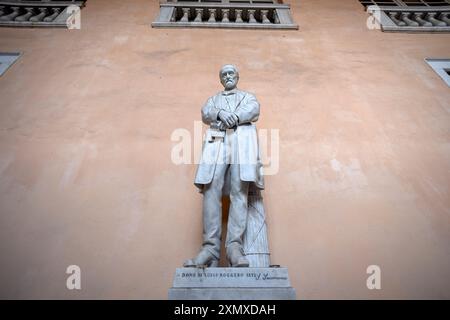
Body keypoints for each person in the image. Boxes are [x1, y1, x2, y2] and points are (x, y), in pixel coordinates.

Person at [184, 64, 264, 268]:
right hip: (217, 142)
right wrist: (219, 113)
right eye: (224, 74)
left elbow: (254, 109)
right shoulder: (214, 99)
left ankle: (234, 248)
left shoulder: (247, 96)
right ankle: (209, 249)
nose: (228, 76)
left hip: (241, 141)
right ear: (221, 80)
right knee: (211, 188)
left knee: (240, 191)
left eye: (231, 73)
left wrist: (235, 117)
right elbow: (205, 112)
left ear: (237, 77)